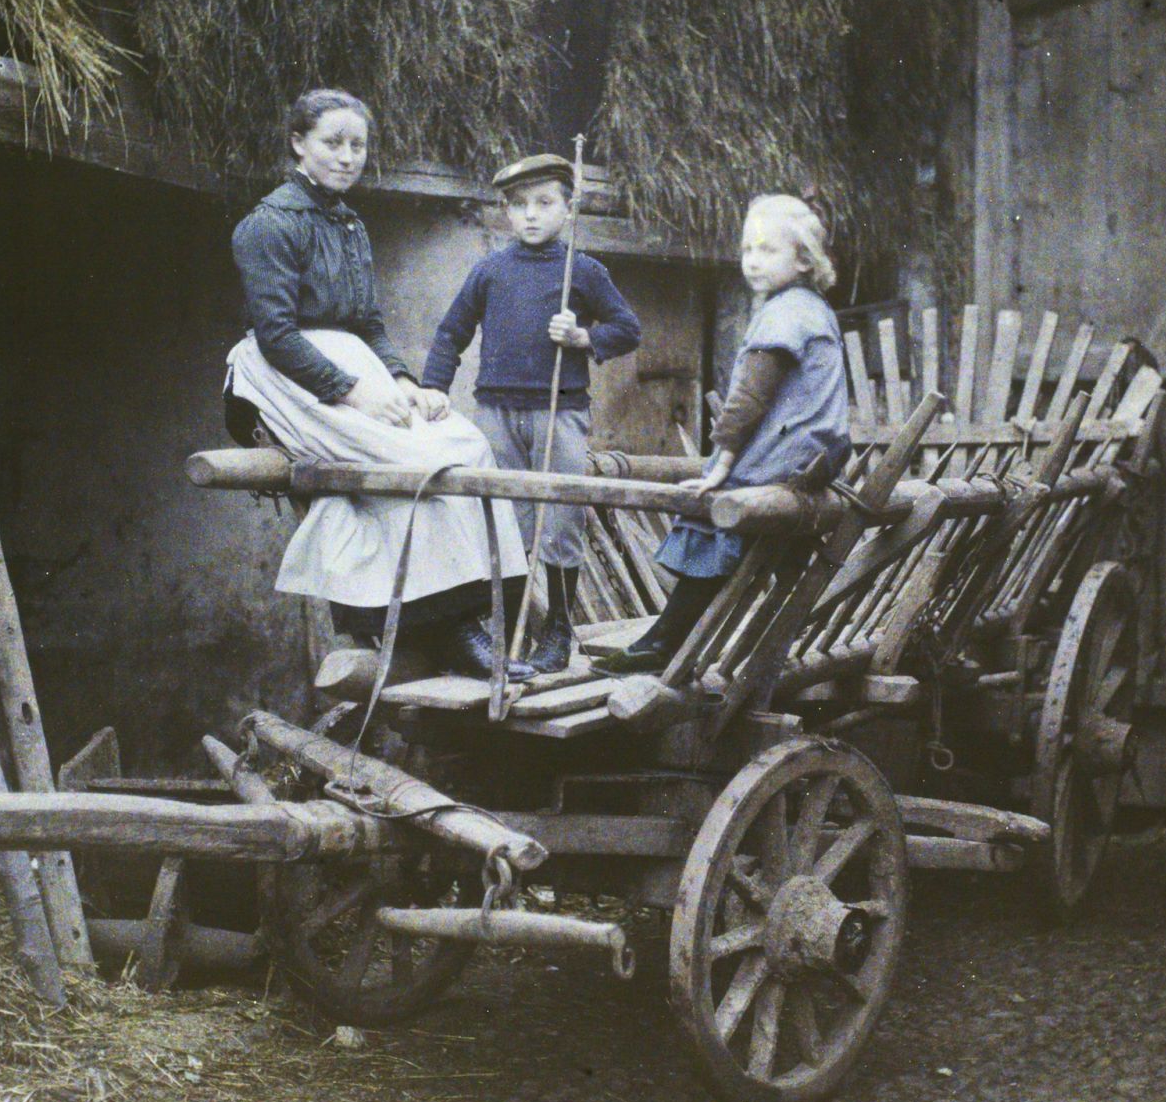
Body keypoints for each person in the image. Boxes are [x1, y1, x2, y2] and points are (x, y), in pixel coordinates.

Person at [223, 88, 533, 681]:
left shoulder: (348, 225)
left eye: (357, 145)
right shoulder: (267, 225)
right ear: (298, 144)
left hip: (357, 365)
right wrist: (352, 391)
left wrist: (401, 379)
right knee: (411, 462)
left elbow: (368, 322)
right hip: (281, 377)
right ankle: (446, 632)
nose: (346, 156)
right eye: (331, 143)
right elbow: (276, 335)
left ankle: (473, 618)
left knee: (465, 446)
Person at [596, 192, 850, 675]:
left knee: (712, 510)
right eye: (747, 249)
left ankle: (665, 642)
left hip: (789, 452)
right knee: (750, 535)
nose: (752, 261)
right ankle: (690, 640)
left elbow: (747, 402)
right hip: (814, 456)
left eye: (767, 250)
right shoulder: (814, 309)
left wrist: (722, 468)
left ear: (803, 259)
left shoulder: (783, 314)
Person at [418, 153, 642, 674]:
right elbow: (452, 332)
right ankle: (521, 632)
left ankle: (559, 632)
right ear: (507, 214)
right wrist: (433, 387)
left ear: (569, 208)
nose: (531, 216)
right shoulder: (490, 270)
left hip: (558, 414)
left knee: (560, 522)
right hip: (494, 412)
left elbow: (628, 328)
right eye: (519, 206)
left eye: (544, 203)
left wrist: (584, 337)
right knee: (508, 524)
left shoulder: (582, 271)